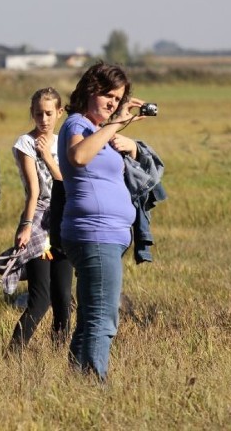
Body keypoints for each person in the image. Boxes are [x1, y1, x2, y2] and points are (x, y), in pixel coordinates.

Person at [58, 61, 146, 382]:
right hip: (95, 233)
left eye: (118, 98)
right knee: (102, 318)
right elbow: (78, 157)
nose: (112, 103)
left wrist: (129, 143)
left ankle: (77, 383)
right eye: (107, 95)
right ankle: (95, 385)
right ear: (89, 92)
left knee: (89, 317)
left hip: (107, 234)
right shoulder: (77, 124)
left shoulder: (96, 129)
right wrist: (114, 125)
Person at [8, 87, 73, 350]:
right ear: (32, 114)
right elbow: (34, 190)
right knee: (40, 296)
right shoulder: (25, 143)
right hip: (38, 219)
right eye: (38, 114)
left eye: (48, 113)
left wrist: (48, 156)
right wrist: (25, 226)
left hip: (64, 215)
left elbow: (68, 184)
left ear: (59, 112)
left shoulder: (65, 142)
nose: (43, 120)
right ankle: (14, 351)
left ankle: (60, 351)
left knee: (63, 295)